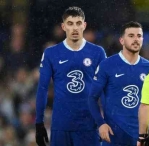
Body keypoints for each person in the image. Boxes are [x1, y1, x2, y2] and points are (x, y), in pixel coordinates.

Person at [35, 6, 106, 146]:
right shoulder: (51, 53)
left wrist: (106, 121)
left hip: (89, 125)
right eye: (70, 23)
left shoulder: (97, 52)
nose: (75, 28)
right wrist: (39, 123)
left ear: (84, 26)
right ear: (63, 26)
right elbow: (42, 88)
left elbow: (104, 89)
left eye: (78, 23)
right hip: (61, 125)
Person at [88, 21, 149, 146]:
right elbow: (92, 98)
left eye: (139, 36)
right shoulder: (107, 65)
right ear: (122, 40)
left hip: (140, 138)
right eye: (131, 36)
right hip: (114, 137)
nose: (136, 39)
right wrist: (100, 123)